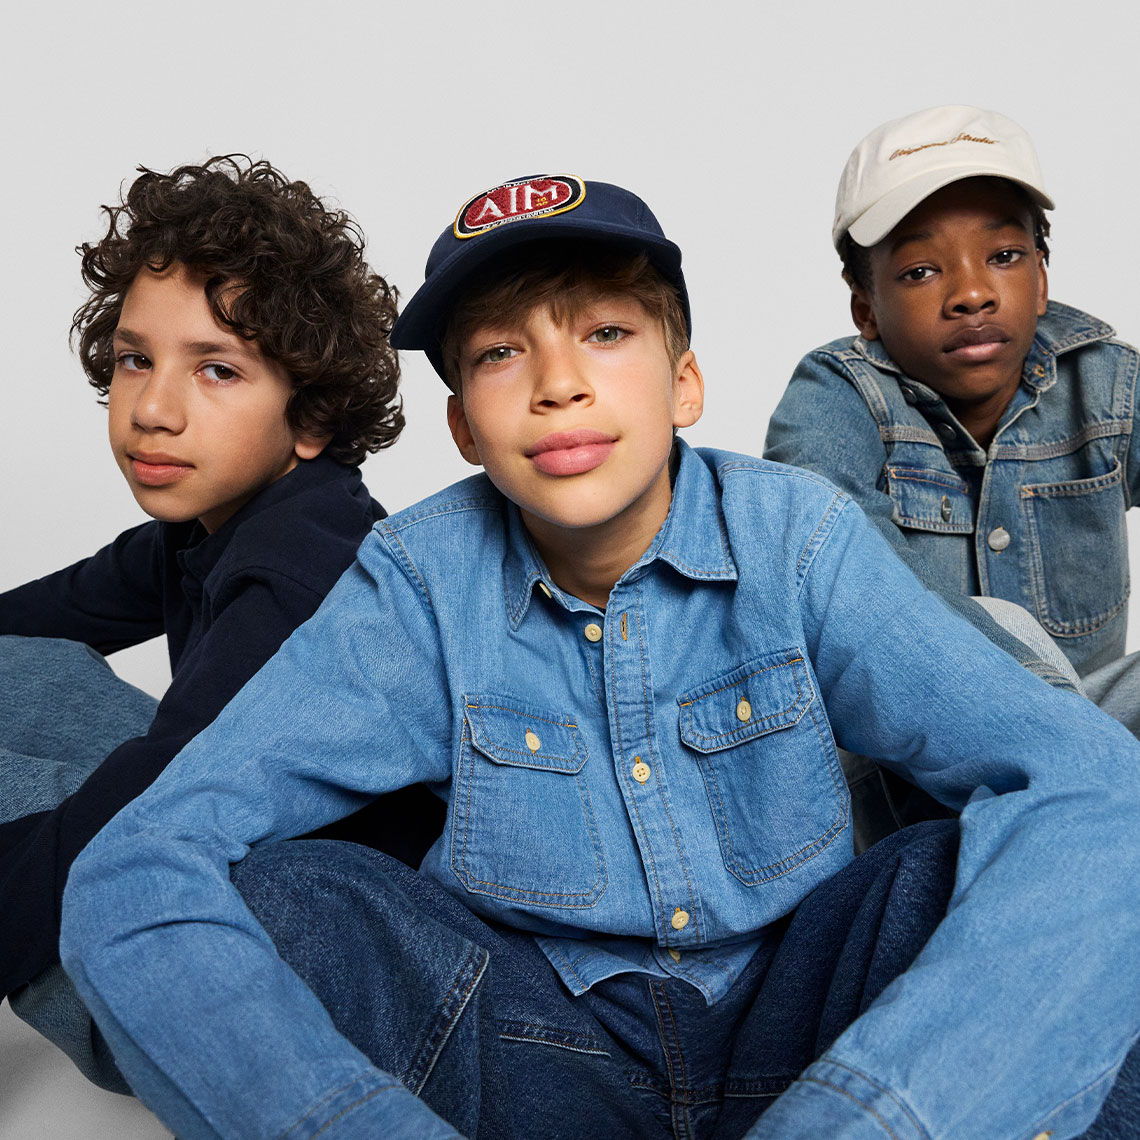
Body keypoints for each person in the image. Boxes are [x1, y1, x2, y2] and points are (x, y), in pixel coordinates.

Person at [60, 174, 1140, 1137]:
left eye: (606, 333)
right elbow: (142, 861)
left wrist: (863, 1119)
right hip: (534, 1054)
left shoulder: (795, 537)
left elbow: (1090, 784)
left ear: (685, 384)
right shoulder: (419, 583)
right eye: (501, 353)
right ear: (464, 429)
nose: (558, 384)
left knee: (995, 875)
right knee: (296, 895)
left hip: (807, 1031)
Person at [0, 155, 442, 1091]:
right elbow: (38, 617)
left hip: (264, 994)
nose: (153, 410)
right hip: (212, 859)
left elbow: (151, 804)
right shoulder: (214, 520)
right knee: (16, 666)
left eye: (216, 370)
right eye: (136, 359)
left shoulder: (306, 570)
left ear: (311, 417)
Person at [765, 105, 1140, 722]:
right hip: (920, 753)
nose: (971, 294)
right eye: (920, 272)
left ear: (1042, 280)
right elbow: (850, 579)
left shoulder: (1108, 384)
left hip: (1094, 732)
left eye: (1004, 256)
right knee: (997, 621)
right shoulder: (837, 395)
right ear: (866, 309)